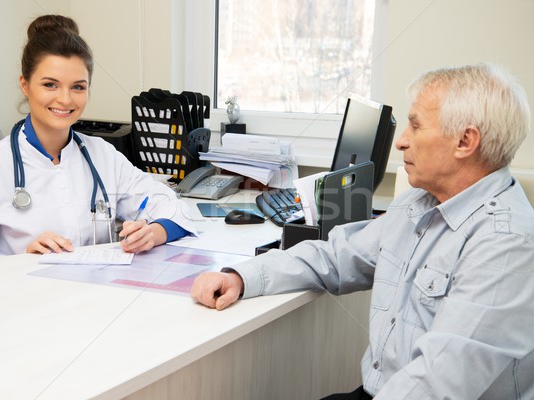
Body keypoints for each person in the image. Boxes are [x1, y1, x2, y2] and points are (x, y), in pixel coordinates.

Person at [190, 63, 534, 399]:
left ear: (464, 141)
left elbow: (438, 383)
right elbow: (336, 256)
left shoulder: (506, 244)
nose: (401, 141)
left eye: (415, 126)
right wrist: (243, 277)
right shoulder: (420, 202)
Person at [0, 15, 196, 259]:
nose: (66, 99)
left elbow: (174, 208)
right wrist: (22, 259)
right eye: (50, 85)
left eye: (78, 87)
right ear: (24, 85)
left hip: (100, 292)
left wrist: (155, 232)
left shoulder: (103, 155)